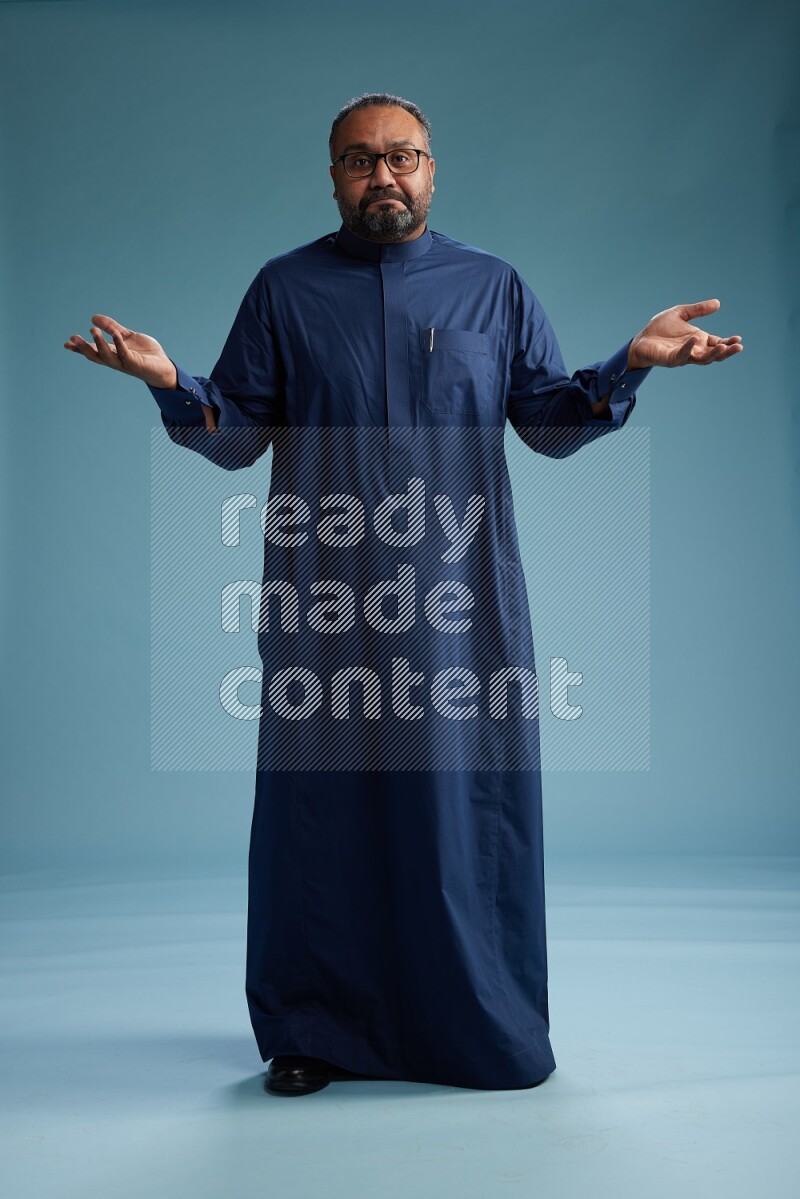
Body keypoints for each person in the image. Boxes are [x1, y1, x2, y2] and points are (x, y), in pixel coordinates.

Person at [64, 92, 743, 1098]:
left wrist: (629, 364)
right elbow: (236, 432)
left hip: (460, 603)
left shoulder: (491, 287)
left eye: (401, 156)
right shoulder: (284, 289)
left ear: (431, 169)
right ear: (333, 176)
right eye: (359, 159)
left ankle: (479, 1022)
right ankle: (311, 1028)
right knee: (321, 811)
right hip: (325, 602)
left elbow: (551, 422)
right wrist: (171, 383)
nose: (381, 174)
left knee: (462, 807)